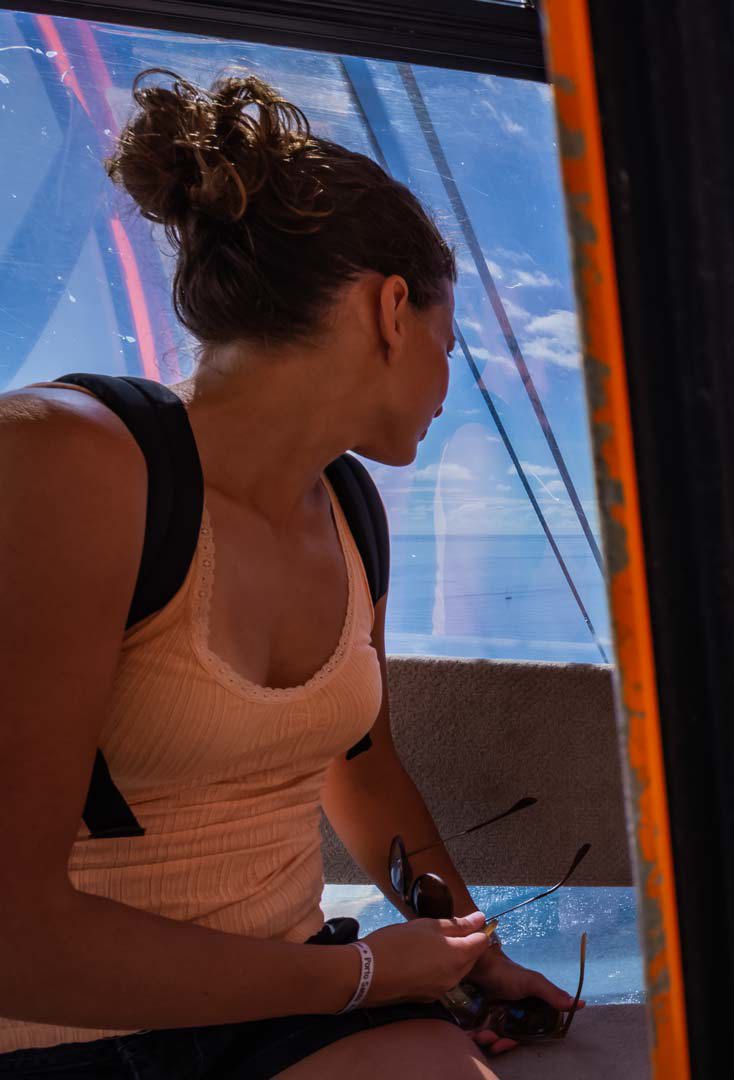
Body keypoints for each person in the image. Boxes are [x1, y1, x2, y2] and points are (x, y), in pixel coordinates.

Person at [0, 71, 574, 1078]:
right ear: (393, 310)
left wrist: (474, 956)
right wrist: (359, 980)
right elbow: (13, 938)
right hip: (69, 1038)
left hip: (287, 1001)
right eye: (449, 343)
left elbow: (362, 767)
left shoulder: (352, 510)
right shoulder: (64, 462)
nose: (450, 384)